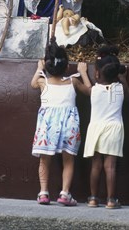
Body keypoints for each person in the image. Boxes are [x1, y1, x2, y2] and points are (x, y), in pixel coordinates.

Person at [31, 41, 91, 205]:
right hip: (69, 127)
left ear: (48, 66)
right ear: (66, 67)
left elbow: (32, 83)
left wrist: (39, 69)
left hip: (47, 128)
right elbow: (90, 91)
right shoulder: (73, 82)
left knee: (44, 159)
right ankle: (65, 194)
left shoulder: (43, 83)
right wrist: (83, 72)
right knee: (68, 160)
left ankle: (43, 193)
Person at [83, 45, 129, 209]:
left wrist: (83, 72)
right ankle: (111, 200)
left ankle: (93, 198)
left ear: (97, 73)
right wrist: (123, 77)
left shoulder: (94, 90)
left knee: (96, 165)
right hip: (113, 129)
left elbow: (86, 86)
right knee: (110, 166)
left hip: (96, 128)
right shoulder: (119, 89)